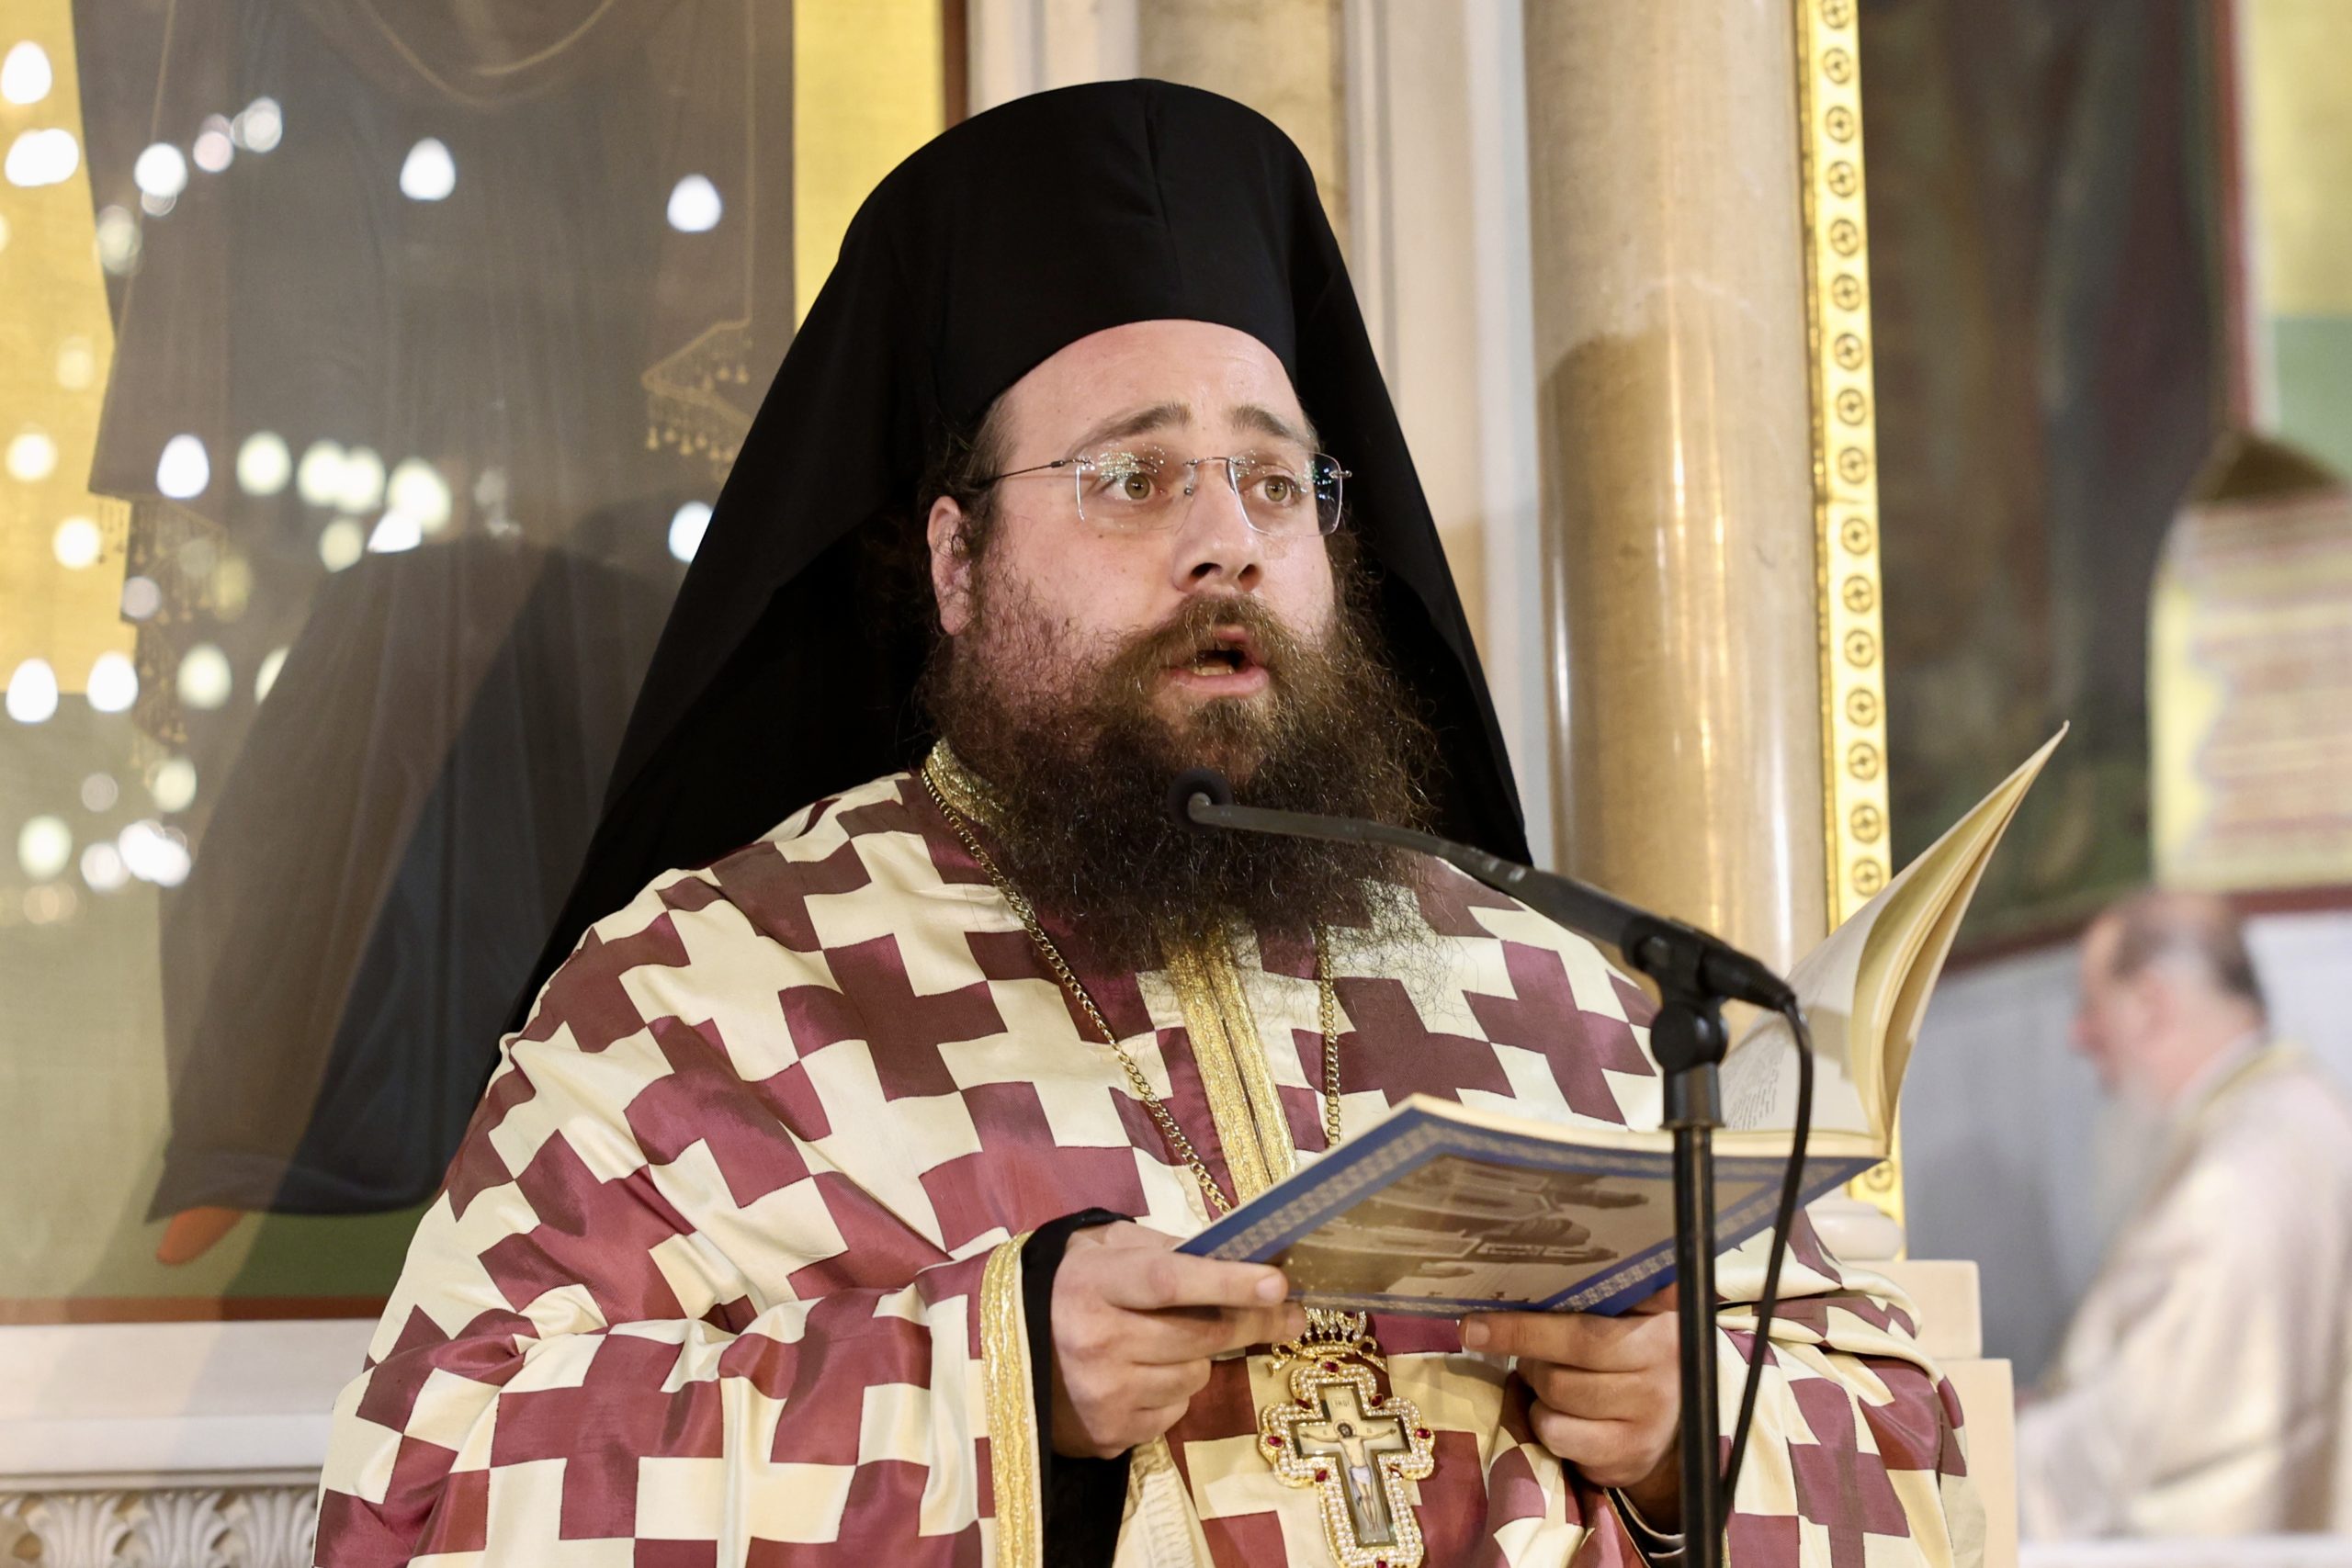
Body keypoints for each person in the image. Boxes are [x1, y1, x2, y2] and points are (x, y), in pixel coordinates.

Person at [313, 83, 1977, 1567]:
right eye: (1132, 475)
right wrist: (995, 1373)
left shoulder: (1546, 981)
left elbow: (1914, 1454)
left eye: (1274, 480)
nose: (1225, 540)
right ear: (957, 561)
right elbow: (427, 1490)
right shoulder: (700, 1000)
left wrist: (1688, 1432)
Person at [2018, 889, 2352, 1538]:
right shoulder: (2294, 1115)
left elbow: (2148, 1439)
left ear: (2151, 1003)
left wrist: (1972, 1446)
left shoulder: (2240, 1174)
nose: (2077, 1036)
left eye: (2091, 1007)